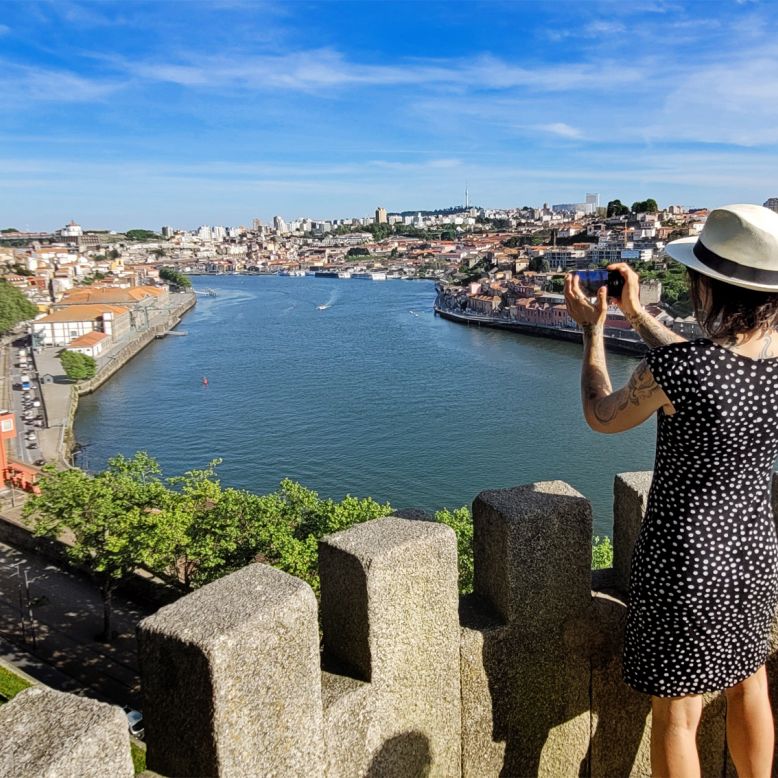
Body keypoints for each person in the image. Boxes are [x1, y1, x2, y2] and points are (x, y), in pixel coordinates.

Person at [564, 203, 778, 778]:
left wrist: (593, 333)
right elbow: (711, 364)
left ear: (706, 287)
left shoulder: (684, 370)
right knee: (748, 683)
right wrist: (636, 314)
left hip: (688, 560)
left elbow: (602, 415)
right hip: (754, 551)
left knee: (678, 715)